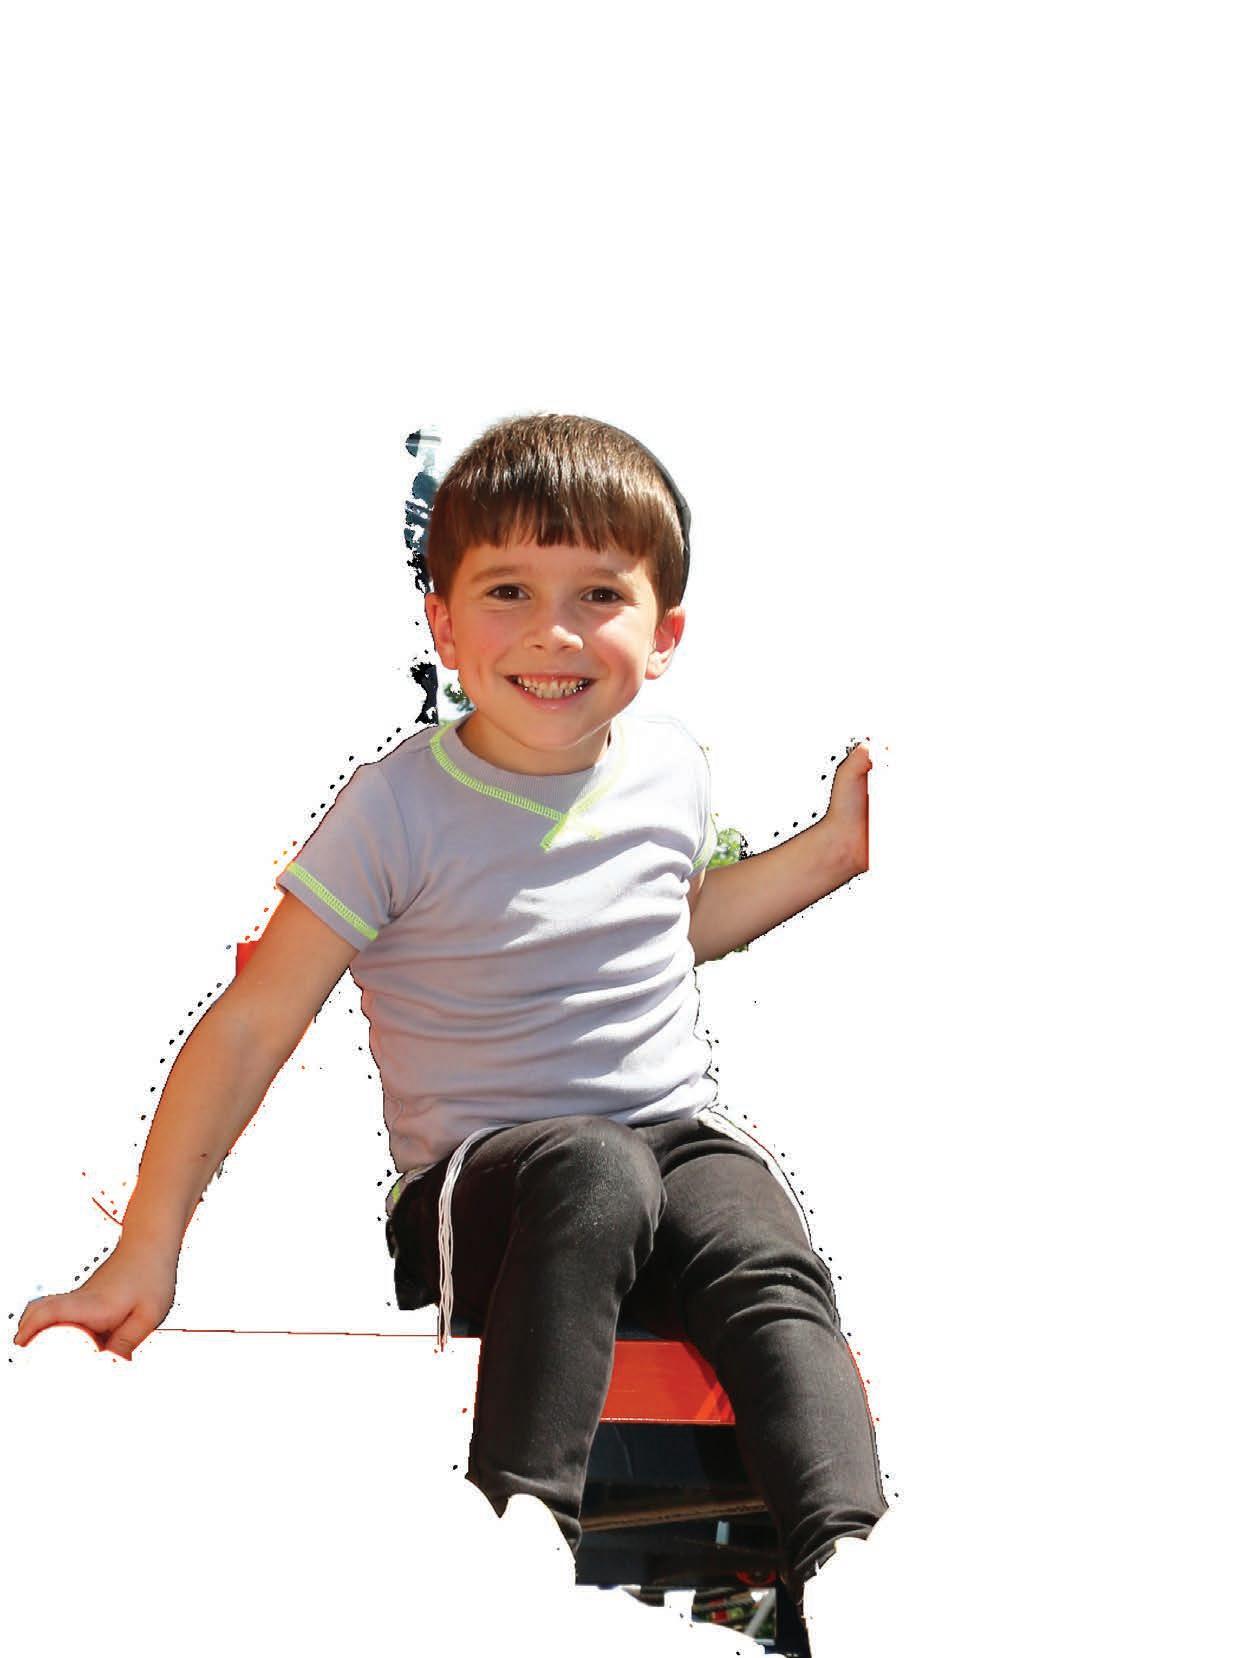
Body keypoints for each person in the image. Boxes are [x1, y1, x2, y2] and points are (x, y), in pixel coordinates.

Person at [13, 413, 887, 1636]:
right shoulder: (397, 810)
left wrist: (834, 852)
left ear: (665, 635)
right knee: (598, 1169)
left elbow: (673, 922)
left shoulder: (670, 769)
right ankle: (515, 1537)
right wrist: (145, 1245)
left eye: (599, 595)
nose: (553, 631)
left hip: (666, 1143)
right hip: (492, 1186)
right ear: (443, 626)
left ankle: (855, 1561)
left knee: (756, 1225)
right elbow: (256, 1023)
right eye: (508, 591)